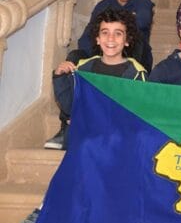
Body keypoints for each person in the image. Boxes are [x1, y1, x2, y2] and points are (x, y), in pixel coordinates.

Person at [45, 9, 147, 150]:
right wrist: (60, 76)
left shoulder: (136, 73)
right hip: (86, 134)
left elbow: (138, 114)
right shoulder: (83, 68)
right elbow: (70, 106)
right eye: (105, 33)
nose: (110, 38)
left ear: (127, 40)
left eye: (118, 33)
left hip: (118, 136)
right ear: (97, 39)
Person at [76, 0, 154, 71]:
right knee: (75, 55)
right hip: (105, 55)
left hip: (134, 59)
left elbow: (142, 22)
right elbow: (86, 38)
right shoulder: (103, 5)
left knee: (136, 39)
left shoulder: (143, 2)